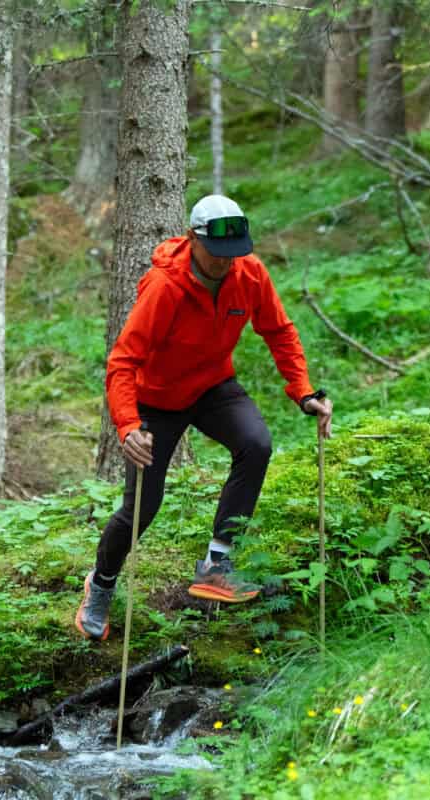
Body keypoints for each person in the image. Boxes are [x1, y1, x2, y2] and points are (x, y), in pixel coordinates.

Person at [76, 195, 333, 640]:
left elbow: (279, 331)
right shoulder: (165, 287)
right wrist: (129, 425)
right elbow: (123, 361)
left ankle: (217, 562)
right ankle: (100, 584)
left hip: (212, 387)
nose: (225, 262)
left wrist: (303, 392)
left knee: (256, 443)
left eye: (233, 253)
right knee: (142, 508)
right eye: (216, 253)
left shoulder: (248, 272)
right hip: (156, 400)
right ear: (194, 239)